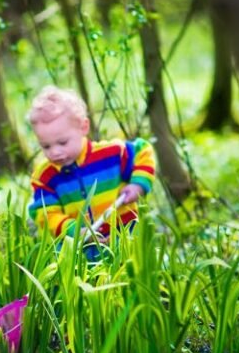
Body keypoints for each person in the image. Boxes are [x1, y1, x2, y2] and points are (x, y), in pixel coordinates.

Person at [27, 85, 156, 242]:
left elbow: (143, 151)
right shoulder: (45, 177)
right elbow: (46, 213)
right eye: (46, 146)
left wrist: (138, 185)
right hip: (82, 251)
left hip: (126, 241)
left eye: (62, 142)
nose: (54, 152)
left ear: (84, 127)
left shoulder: (111, 154)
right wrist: (74, 230)